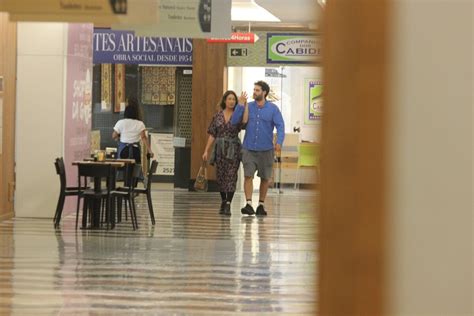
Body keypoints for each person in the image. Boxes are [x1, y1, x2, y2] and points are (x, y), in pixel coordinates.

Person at [231, 81, 285, 216]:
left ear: (264, 92)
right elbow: (234, 121)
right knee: (248, 176)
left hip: (266, 149)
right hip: (249, 147)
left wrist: (279, 141)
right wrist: (240, 105)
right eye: (254, 90)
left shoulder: (273, 109)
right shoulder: (247, 106)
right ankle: (248, 204)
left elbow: (280, 126)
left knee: (265, 178)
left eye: (257, 90)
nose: (254, 92)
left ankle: (261, 204)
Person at [202, 90, 245, 216]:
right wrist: (206, 150)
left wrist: (244, 105)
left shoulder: (238, 114)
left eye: (234, 99)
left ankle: (228, 204)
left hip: (233, 149)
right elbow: (212, 134)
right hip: (220, 149)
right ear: (225, 101)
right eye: (229, 99)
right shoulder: (218, 116)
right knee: (221, 177)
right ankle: (223, 200)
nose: (231, 101)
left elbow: (245, 122)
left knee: (231, 176)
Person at [112, 97, 153, 164]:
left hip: (123, 148)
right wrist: (149, 150)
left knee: (121, 168)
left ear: (126, 113)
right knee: (135, 168)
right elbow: (143, 138)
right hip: (135, 149)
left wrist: (118, 137)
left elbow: (114, 136)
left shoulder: (121, 122)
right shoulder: (140, 124)